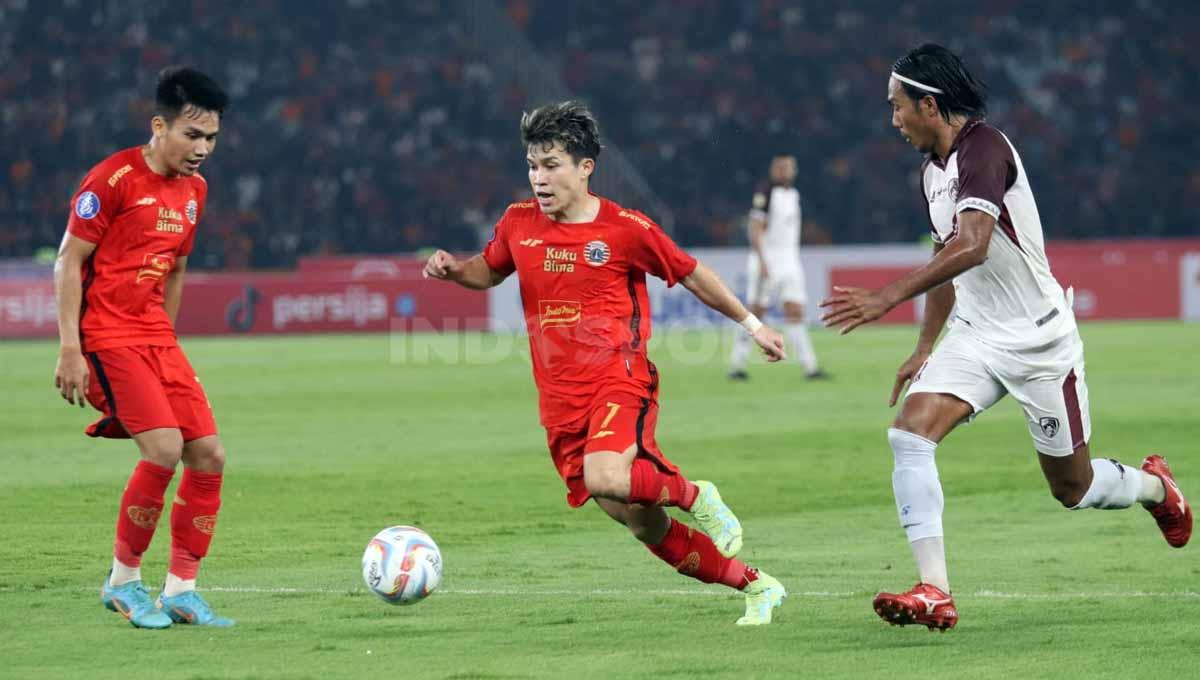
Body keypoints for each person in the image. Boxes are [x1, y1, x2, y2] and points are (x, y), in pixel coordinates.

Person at [819, 44, 1191, 631]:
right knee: (910, 436)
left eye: (898, 107)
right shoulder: (930, 172)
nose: (892, 120)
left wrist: (887, 296)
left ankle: (1153, 487)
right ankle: (935, 590)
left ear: (930, 104)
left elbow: (974, 243)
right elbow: (950, 258)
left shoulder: (985, 149)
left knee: (1073, 486)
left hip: (1040, 342)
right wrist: (923, 347)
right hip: (976, 334)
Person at [424, 101, 790, 624]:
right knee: (643, 524)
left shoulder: (625, 228)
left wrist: (754, 326)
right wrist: (455, 270)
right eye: (532, 166)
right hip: (560, 402)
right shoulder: (517, 222)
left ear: (585, 167)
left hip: (619, 380)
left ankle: (696, 494)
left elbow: (689, 272)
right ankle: (758, 586)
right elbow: (489, 269)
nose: (538, 178)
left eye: (551, 165)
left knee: (606, 476)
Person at [54, 67, 234, 629]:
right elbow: (68, 260)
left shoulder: (195, 191)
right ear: (160, 126)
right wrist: (69, 350)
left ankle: (182, 589)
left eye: (210, 138)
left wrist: (168, 338)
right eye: (191, 135)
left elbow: (176, 267)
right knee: (161, 450)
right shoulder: (112, 180)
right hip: (108, 334)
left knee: (208, 455)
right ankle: (124, 582)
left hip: (156, 337)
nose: (202, 149)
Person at [729, 155, 826, 381]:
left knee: (795, 311)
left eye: (788, 167)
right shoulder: (765, 192)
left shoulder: (794, 194)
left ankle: (810, 367)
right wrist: (762, 261)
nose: (784, 171)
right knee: (755, 313)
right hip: (768, 261)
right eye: (780, 167)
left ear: (795, 170)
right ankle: (737, 364)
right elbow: (755, 228)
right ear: (773, 170)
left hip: (790, 262)